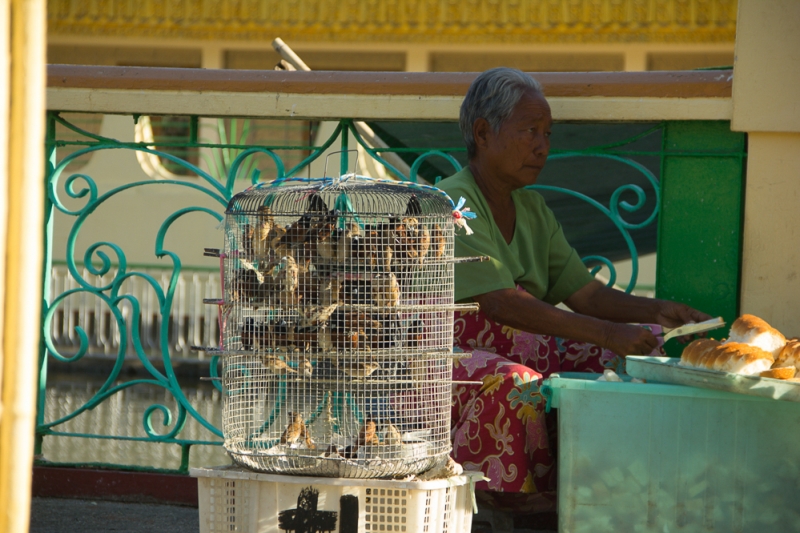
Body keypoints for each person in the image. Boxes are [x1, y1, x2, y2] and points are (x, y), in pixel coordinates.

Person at [437, 67, 711, 514]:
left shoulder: (533, 208)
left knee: (642, 350)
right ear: (484, 134)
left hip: (527, 346)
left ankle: (613, 484)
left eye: (547, 133)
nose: (542, 146)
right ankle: (504, 505)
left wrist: (660, 313)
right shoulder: (456, 203)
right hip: (443, 364)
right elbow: (500, 303)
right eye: (529, 131)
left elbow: (587, 295)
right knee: (517, 381)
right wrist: (604, 332)